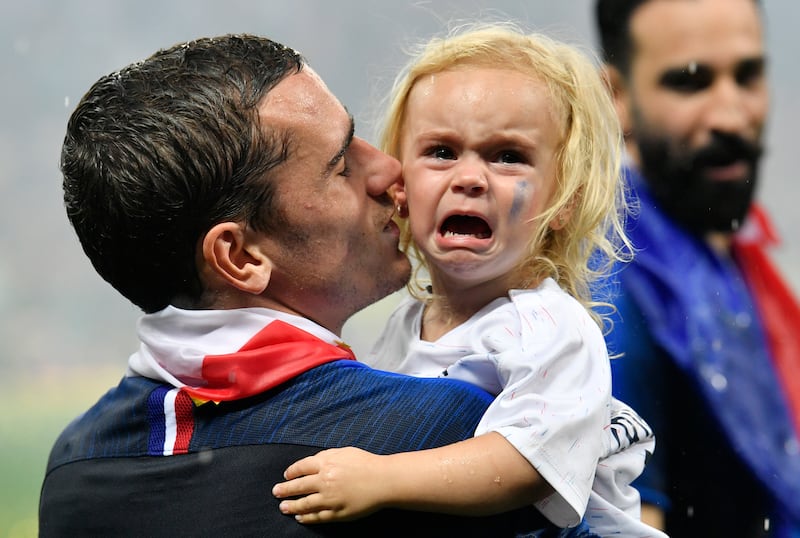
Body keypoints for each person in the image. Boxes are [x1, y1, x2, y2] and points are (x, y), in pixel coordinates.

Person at [38, 34, 592, 537]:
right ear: (239, 256)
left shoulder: (72, 469)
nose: (390, 172)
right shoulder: (449, 434)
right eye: (342, 163)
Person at [272, 25, 663, 537]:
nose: (470, 177)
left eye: (507, 156)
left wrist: (380, 479)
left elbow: (525, 465)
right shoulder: (406, 324)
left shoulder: (551, 329)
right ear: (401, 186)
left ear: (565, 200)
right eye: (441, 151)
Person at [594, 0, 800, 535]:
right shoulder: (610, 294)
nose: (731, 115)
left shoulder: (712, 239)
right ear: (616, 96)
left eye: (748, 75)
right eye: (691, 82)